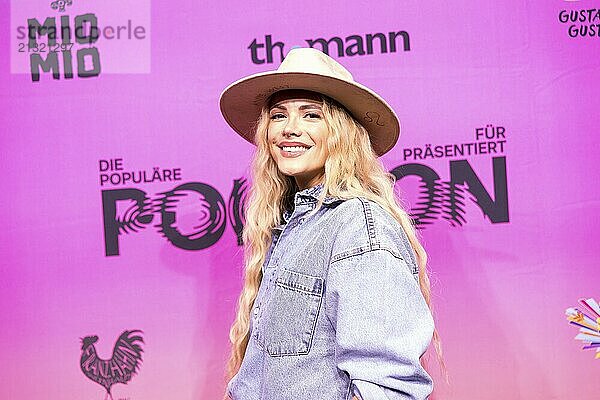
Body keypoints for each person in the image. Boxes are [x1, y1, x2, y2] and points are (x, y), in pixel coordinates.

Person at [219, 47, 442, 400]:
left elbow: (387, 386)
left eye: (310, 115)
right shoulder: (291, 226)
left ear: (341, 132)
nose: (290, 130)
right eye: (278, 116)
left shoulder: (357, 224)